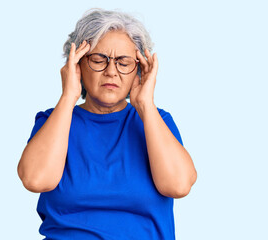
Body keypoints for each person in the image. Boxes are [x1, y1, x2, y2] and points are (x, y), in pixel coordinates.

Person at [17, 8, 197, 239]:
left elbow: (179, 186)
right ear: (78, 64)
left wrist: (145, 105)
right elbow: (35, 179)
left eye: (123, 62)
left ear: (139, 70)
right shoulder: (52, 121)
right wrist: (68, 96)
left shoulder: (157, 121)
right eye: (99, 60)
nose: (111, 71)